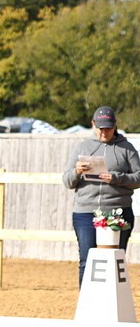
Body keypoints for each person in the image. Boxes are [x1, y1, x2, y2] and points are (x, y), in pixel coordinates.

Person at [62, 106, 140, 286]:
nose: (104, 132)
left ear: (115, 126)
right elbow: (67, 181)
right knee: (86, 260)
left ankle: (113, 301)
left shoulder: (127, 149)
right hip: (85, 212)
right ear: (93, 124)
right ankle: (86, 303)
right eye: (100, 128)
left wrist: (117, 178)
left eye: (108, 128)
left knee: (114, 259)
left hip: (117, 213)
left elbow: (138, 177)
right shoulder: (82, 148)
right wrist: (77, 171)